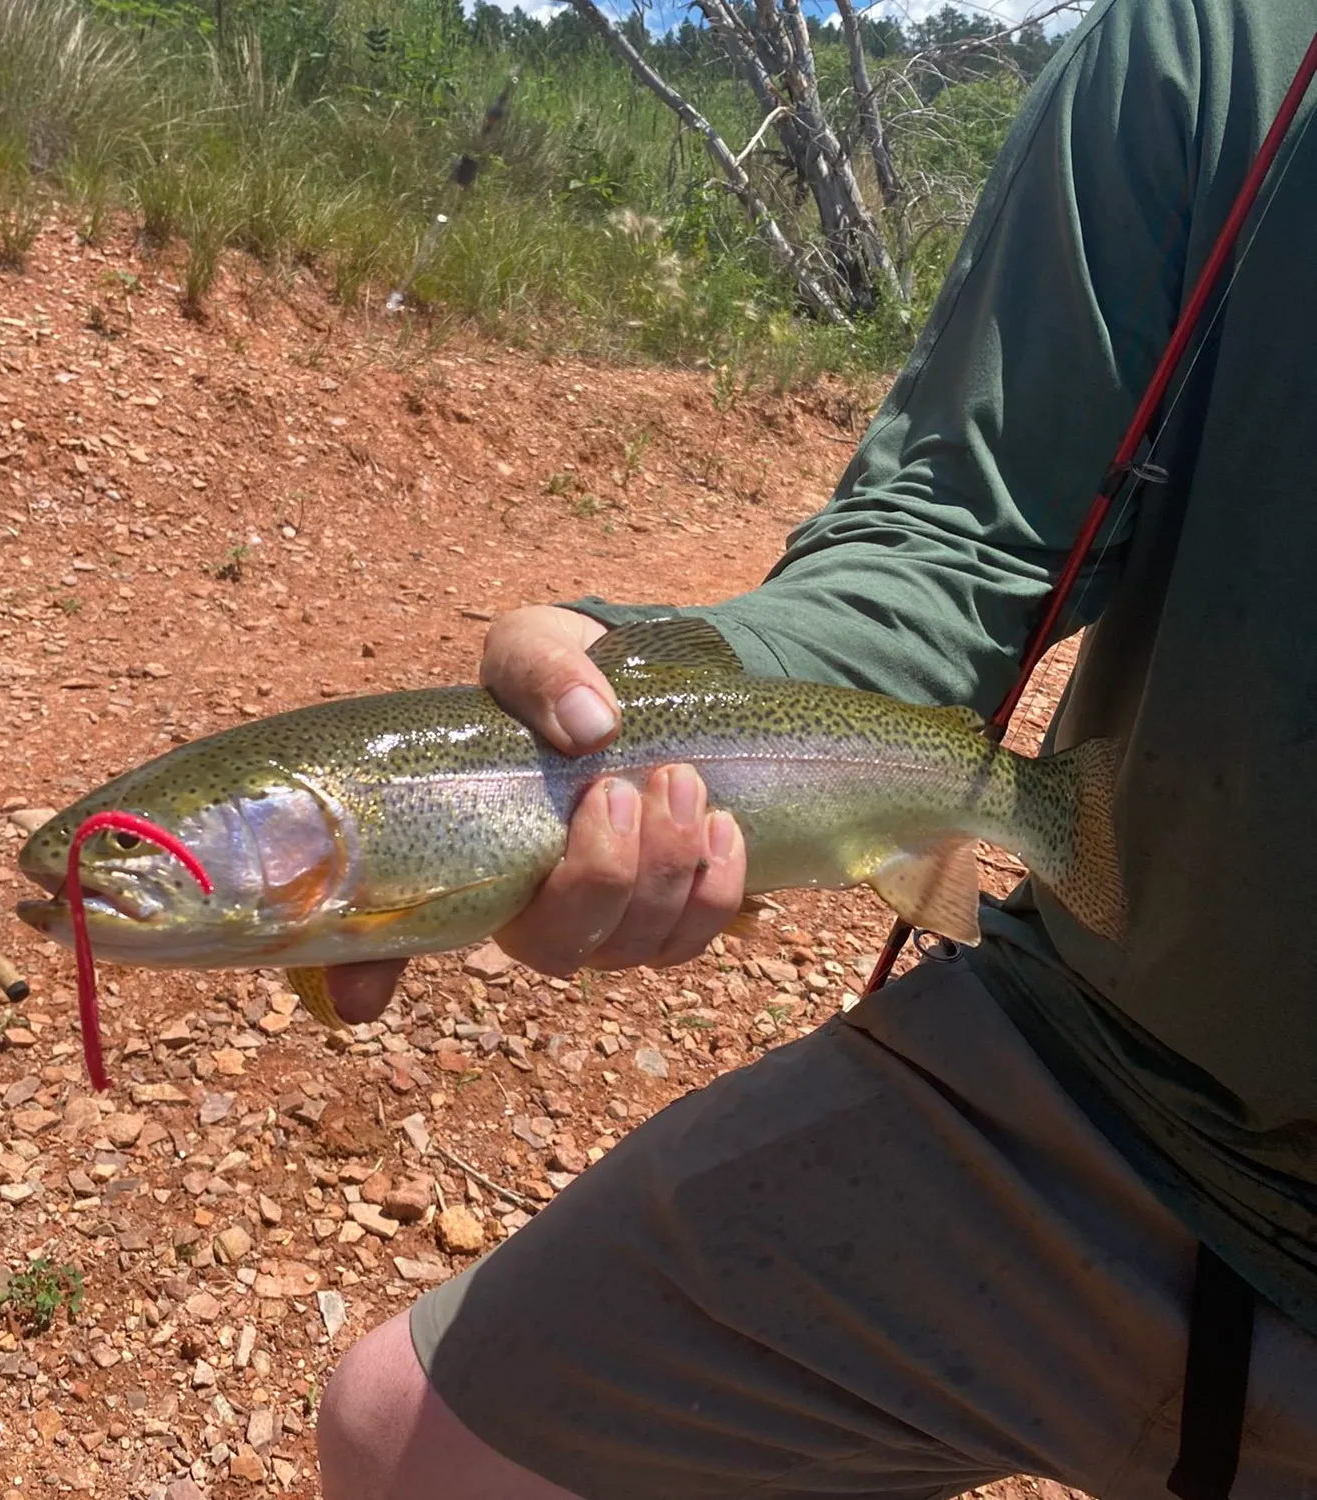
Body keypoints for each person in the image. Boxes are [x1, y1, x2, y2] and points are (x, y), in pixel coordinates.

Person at [315, 0, 1317, 1495]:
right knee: (418, 1441)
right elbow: (958, 539)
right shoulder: (1219, 44)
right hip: (1126, 1093)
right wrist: (678, 699)